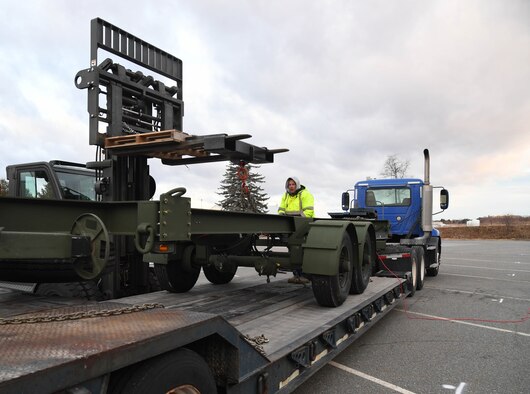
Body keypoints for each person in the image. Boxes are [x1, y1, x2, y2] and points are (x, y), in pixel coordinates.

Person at [278, 176, 314, 284]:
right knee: (293, 251)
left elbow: (308, 212)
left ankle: (305, 275)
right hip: (290, 227)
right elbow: (281, 210)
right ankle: (296, 275)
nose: (291, 186)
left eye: (293, 184)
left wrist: (298, 222)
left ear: (297, 185)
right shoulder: (285, 196)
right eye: (289, 185)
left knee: (303, 251)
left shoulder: (305, 194)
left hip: (303, 226)